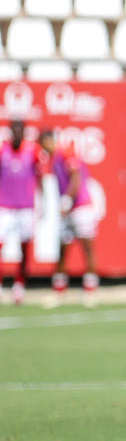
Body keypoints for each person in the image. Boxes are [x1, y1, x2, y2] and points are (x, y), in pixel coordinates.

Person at [36, 131, 99, 307]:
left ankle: (90, 291)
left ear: (49, 141)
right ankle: (59, 291)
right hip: (67, 210)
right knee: (62, 250)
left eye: (44, 144)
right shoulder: (53, 159)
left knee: (87, 247)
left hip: (81, 208)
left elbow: (76, 177)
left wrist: (67, 199)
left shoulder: (66, 152)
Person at [0, 119, 39, 305]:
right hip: (5, 206)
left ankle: (19, 285)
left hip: (25, 207)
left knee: (24, 247)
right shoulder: (3, 150)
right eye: (13, 130)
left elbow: (42, 175)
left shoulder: (33, 151)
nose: (16, 134)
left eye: (19, 130)